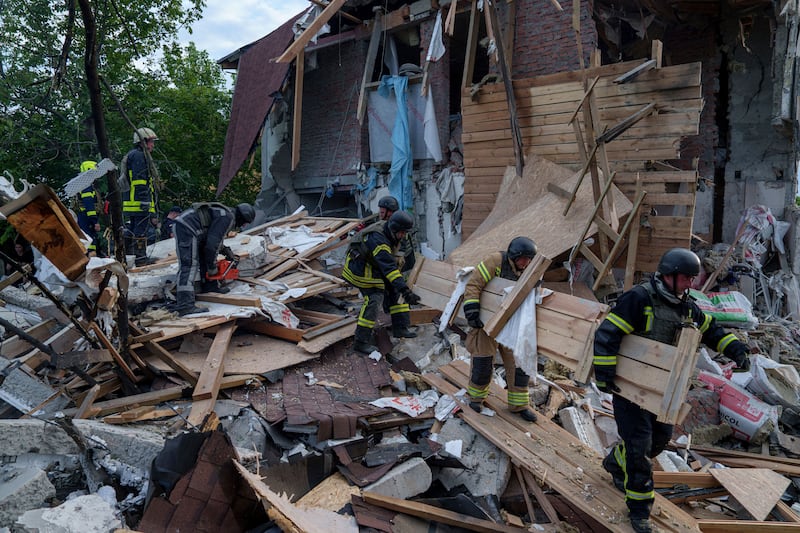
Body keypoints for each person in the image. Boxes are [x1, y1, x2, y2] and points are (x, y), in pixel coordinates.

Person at [594, 248, 751, 533]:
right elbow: (607, 334)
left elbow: (711, 330)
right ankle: (639, 510)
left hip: (662, 389)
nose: (691, 284)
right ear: (668, 275)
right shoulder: (639, 299)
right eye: (686, 279)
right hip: (630, 388)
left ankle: (616, 462)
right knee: (640, 446)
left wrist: (736, 348)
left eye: (693, 279)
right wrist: (604, 374)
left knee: (658, 441)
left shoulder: (686, 306)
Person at [463, 236, 539, 423]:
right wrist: (472, 311)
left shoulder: (531, 270)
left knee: (519, 365)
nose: (526, 263)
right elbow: (474, 284)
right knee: (483, 363)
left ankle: (519, 405)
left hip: (511, 324)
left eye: (530, 260)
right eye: (523, 259)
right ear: (514, 256)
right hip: (486, 323)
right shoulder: (495, 261)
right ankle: (476, 399)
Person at [342, 210, 421, 354]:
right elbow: (388, 268)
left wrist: (401, 286)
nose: (404, 236)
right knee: (374, 299)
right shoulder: (378, 239)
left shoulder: (394, 231)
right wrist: (406, 290)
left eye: (405, 232)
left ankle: (400, 328)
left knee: (395, 290)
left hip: (375, 265)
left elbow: (401, 257)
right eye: (402, 233)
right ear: (394, 229)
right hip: (360, 269)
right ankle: (360, 342)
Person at [172, 202, 255, 316]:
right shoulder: (228, 217)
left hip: (192, 228)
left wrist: (226, 251)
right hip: (187, 227)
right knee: (189, 264)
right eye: (244, 223)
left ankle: (209, 287)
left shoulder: (226, 214)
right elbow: (211, 246)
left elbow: (213, 239)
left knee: (203, 257)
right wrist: (213, 269)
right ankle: (185, 305)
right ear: (242, 217)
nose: (243, 226)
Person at [123, 127, 160, 264]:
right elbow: (139, 181)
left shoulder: (133, 154)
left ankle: (129, 257)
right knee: (140, 230)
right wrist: (145, 201)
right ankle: (140, 258)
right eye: (151, 142)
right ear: (143, 141)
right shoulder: (139, 156)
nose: (153, 145)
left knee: (132, 229)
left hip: (133, 201)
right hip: (138, 202)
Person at [376, 195, 415, 274]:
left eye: (382, 212)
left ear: (390, 212)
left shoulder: (399, 223)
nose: (380, 215)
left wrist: (397, 258)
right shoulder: (386, 223)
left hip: (405, 258)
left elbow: (402, 243)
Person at [76, 161, 101, 256]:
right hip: (87, 218)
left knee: (89, 240)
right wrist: (95, 221)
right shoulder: (86, 186)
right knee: (89, 241)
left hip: (85, 218)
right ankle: (91, 260)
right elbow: (89, 205)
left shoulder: (84, 184)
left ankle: (92, 257)